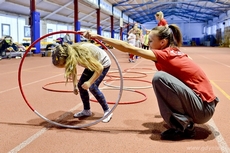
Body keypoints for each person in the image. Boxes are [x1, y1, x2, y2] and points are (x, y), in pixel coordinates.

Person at [83, 24, 219, 140]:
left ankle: (183, 127)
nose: (148, 43)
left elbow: (128, 48)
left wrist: (99, 37)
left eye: (151, 40)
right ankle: (184, 122)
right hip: (204, 105)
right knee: (164, 78)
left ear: (163, 42)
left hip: (203, 110)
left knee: (159, 78)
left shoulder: (164, 54)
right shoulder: (175, 52)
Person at [51, 42, 113, 123]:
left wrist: (89, 82)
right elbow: (73, 69)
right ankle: (87, 110)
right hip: (91, 64)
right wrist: (75, 85)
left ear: (67, 59)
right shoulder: (71, 54)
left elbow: (99, 68)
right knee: (81, 85)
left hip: (102, 63)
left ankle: (107, 111)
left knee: (92, 87)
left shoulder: (83, 54)